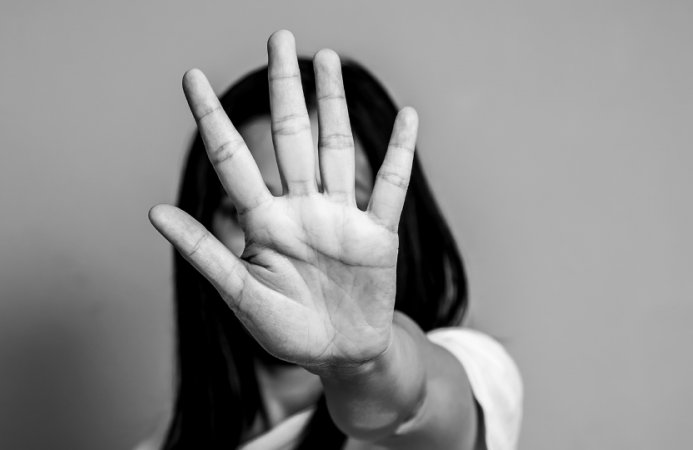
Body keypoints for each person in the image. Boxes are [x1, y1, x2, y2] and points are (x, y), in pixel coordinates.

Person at [138, 31, 522, 450]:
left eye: (344, 211)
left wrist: (361, 365)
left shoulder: (473, 368)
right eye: (239, 211)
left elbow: (415, 402)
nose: (291, 247)